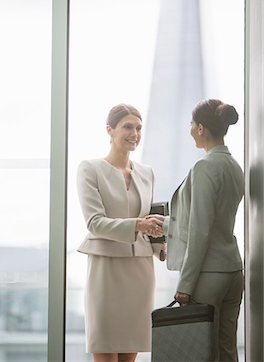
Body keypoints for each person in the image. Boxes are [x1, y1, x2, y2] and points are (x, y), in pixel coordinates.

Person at [77, 103, 165, 362]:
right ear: (109, 129)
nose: (135, 133)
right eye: (127, 127)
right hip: (106, 269)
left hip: (140, 269)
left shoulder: (147, 173)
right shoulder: (90, 169)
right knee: (104, 348)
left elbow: (150, 219)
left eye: (138, 128)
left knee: (130, 353)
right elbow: (94, 222)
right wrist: (137, 224)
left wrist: (161, 247)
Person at [163, 99, 244, 362]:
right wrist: (165, 223)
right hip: (232, 270)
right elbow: (214, 220)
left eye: (191, 124)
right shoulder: (233, 166)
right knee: (227, 350)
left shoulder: (205, 166)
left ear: (200, 128)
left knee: (200, 353)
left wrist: (185, 284)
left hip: (208, 275)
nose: (189, 129)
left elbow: (201, 229)